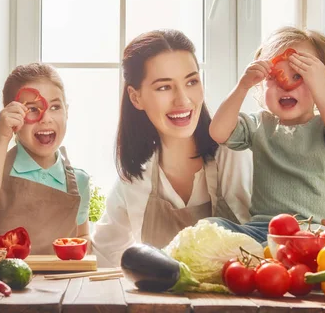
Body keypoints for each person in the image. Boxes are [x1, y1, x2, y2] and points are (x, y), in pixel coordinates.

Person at [91, 29, 253, 267]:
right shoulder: (135, 179)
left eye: (191, 81)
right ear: (136, 98)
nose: (183, 100)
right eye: (164, 87)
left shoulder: (234, 151)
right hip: (161, 304)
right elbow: (102, 257)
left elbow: (263, 240)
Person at [208, 26, 325, 242]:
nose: (286, 85)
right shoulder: (258, 124)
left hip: (312, 230)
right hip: (263, 229)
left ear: (323, 85)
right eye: (275, 76)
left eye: (299, 76)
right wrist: (243, 86)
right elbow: (218, 132)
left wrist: (320, 84)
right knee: (211, 226)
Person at [0, 63, 91, 254]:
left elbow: (81, 237)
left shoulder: (79, 181)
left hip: (56, 282)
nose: (46, 118)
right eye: (32, 109)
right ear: (12, 114)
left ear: (67, 111)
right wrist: (2, 137)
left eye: (55, 107)